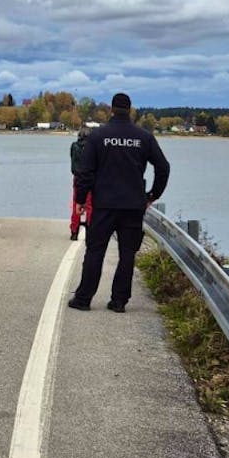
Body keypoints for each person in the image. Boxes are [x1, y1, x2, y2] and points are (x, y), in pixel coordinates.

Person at [68, 92, 170, 313]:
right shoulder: (144, 137)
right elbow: (163, 167)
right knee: (127, 254)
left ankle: (84, 298)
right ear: (130, 110)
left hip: (104, 204)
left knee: (95, 251)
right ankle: (119, 301)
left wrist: (80, 200)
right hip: (133, 205)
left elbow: (85, 172)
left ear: (111, 110)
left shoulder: (98, 136)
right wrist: (152, 195)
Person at [69, 125, 93, 241]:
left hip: (77, 178)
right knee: (90, 206)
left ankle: (74, 231)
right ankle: (89, 230)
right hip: (90, 179)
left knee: (76, 205)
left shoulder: (74, 146)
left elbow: (72, 159)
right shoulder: (92, 148)